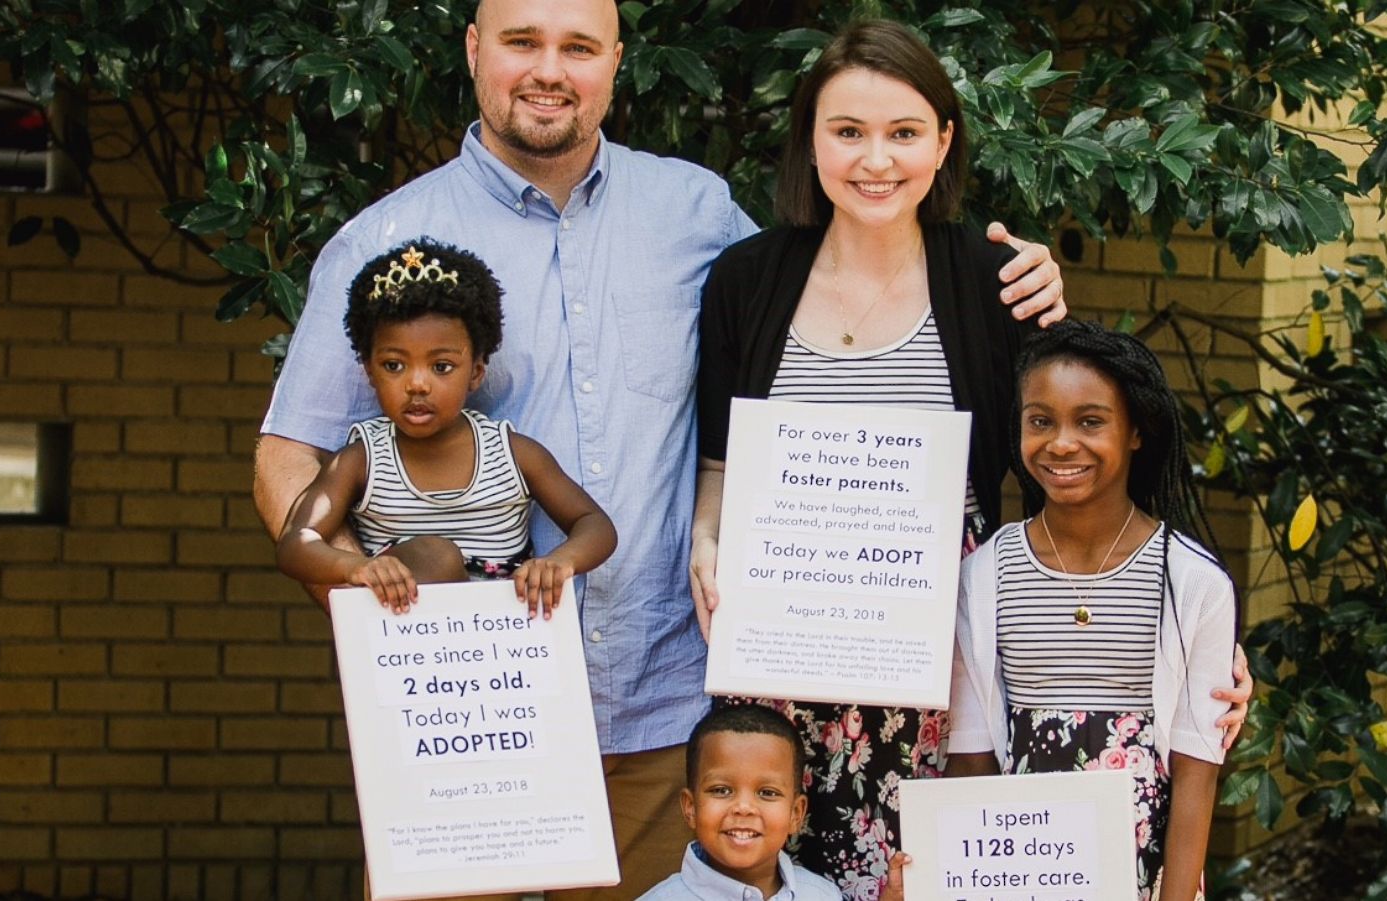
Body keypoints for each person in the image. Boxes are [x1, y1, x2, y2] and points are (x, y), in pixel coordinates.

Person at [252, 0, 1067, 894]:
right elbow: (290, 459)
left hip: (666, 719)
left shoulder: (696, 215)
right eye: (522, 42)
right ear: (475, 49)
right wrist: (389, 606)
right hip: (473, 721)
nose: (549, 71)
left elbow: (806, 361)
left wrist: (1018, 278)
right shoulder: (385, 244)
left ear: (616, 61)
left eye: (579, 47)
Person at [690, 21, 1250, 896]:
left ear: (944, 140)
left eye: (904, 132)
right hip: (782, 653)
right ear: (810, 139)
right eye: (848, 132)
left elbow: (1079, 471)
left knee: (927, 874)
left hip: (943, 658)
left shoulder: (996, 282)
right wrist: (704, 541)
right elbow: (721, 462)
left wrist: (1184, 638)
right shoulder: (746, 279)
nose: (876, 160)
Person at [944, 320, 1237, 901]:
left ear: (1135, 431)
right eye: (1040, 420)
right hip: (1015, 868)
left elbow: (1197, 772)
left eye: (1091, 421)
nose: (1061, 443)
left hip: (1144, 872)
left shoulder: (1192, 582)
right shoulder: (984, 576)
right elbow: (971, 757)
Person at [274, 240, 616, 617]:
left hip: (508, 656)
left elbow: (595, 524)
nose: (417, 384)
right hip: (409, 655)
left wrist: (560, 562)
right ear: (369, 372)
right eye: (393, 365)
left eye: (441, 367)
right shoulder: (362, 461)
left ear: (476, 373)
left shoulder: (513, 454)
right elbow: (296, 544)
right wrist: (356, 567)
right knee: (435, 557)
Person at [640, 705, 910, 901]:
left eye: (767, 793)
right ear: (690, 808)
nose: (743, 807)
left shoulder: (821, 895)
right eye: (722, 790)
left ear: (796, 813)